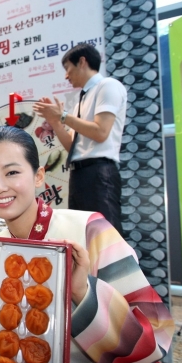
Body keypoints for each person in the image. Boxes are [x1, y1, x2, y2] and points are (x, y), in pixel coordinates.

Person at [0, 126, 176, 363]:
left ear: (38, 176)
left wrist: (82, 293)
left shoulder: (89, 229)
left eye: (12, 172)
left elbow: (156, 334)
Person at [32, 43, 127, 235]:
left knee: (106, 234)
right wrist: (55, 121)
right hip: (79, 175)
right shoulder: (80, 102)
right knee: (82, 233)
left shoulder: (108, 86)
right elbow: (71, 146)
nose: (66, 76)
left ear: (82, 62)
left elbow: (101, 132)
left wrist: (63, 116)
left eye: (68, 68)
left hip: (100, 172)